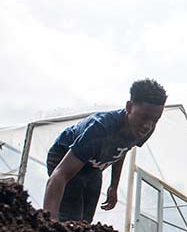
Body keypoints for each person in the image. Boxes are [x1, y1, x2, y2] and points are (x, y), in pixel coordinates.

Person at [43, 79, 166, 222]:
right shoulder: (100, 128)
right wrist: (48, 221)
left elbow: (122, 149)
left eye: (155, 119)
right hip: (64, 155)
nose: (148, 125)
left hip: (92, 167)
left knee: (85, 223)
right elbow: (60, 174)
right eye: (144, 117)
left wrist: (114, 186)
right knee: (71, 218)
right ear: (129, 107)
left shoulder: (145, 129)